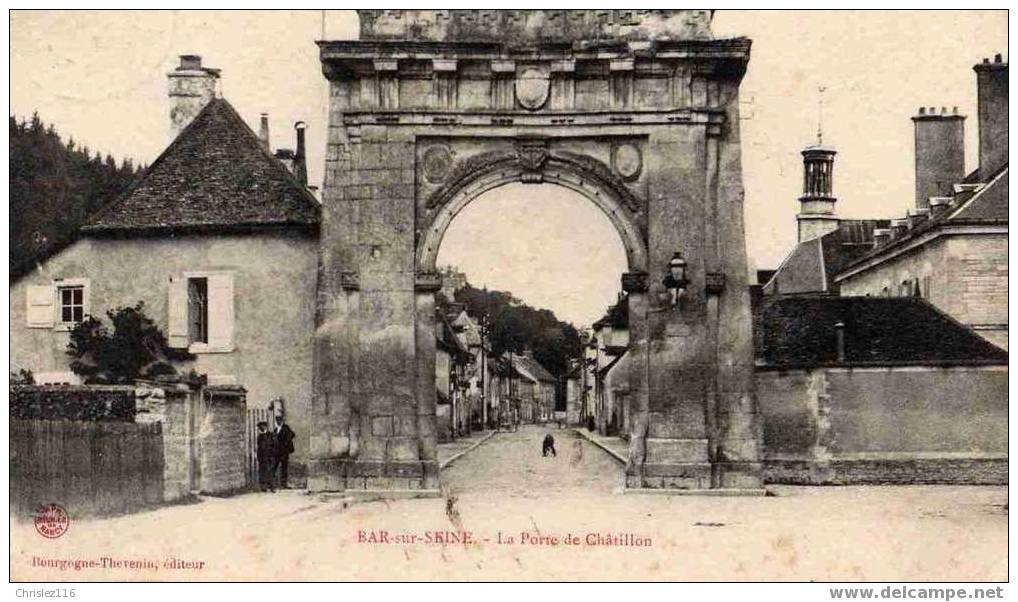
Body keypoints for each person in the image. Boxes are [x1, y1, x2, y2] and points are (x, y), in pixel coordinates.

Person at [273, 414, 296, 488]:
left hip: (284, 452)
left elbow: (292, 434)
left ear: (282, 421)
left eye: (279, 420)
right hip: (277, 452)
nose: (278, 422)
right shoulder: (276, 429)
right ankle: (271, 483)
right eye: (277, 420)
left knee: (284, 468)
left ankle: (283, 484)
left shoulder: (286, 428)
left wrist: (286, 443)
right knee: (274, 466)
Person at [256, 421, 276, 492]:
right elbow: (259, 447)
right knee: (262, 471)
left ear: (265, 427)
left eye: (262, 426)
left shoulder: (271, 435)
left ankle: (272, 487)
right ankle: (263, 487)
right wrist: (259, 457)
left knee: (270, 471)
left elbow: (274, 445)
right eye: (260, 427)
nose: (261, 428)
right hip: (262, 457)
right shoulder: (259, 437)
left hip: (269, 456)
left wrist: (272, 455)